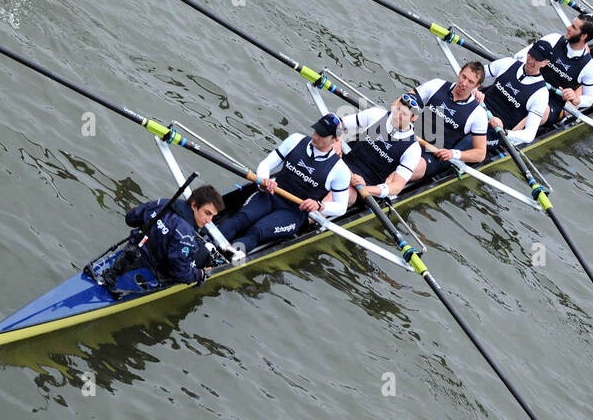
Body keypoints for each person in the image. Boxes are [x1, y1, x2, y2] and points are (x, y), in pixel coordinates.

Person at [215, 114, 352, 254]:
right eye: (316, 130)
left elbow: (341, 208)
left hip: (294, 212)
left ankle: (225, 258)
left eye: (322, 135)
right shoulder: (296, 140)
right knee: (241, 219)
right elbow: (266, 165)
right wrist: (264, 181)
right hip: (271, 194)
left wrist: (319, 206)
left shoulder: (340, 170)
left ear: (334, 139)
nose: (315, 136)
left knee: (258, 230)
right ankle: (207, 246)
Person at [123, 184, 225, 285]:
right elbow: (181, 274)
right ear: (194, 205)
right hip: (153, 272)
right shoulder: (186, 236)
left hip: (130, 253)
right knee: (204, 251)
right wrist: (201, 274)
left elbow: (130, 218)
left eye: (212, 216)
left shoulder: (163, 203)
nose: (209, 221)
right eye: (207, 213)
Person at [514, 12, 593, 133]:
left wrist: (576, 99)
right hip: (531, 85)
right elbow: (521, 56)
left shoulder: (589, 67)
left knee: (541, 110)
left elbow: (590, 98)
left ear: (584, 36)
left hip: (552, 102)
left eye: (574, 27)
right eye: (571, 24)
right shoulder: (553, 39)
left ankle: (509, 136)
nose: (568, 27)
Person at [410, 61, 489, 181]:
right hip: (410, 137)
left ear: (476, 86)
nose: (464, 83)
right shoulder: (437, 85)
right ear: (460, 73)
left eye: (470, 82)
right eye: (464, 77)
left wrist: (454, 154)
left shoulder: (478, 114)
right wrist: (412, 111)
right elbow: (407, 98)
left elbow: (480, 154)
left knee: (409, 167)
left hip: (435, 155)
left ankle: (382, 189)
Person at [339, 94, 424, 203]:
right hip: (342, 165)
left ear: (414, 117)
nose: (397, 115)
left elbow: (396, 187)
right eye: (398, 109)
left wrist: (365, 188)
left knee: (341, 195)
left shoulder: (413, 149)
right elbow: (340, 123)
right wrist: (336, 141)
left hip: (365, 185)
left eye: (404, 114)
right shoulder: (377, 114)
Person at [479, 39, 552, 157]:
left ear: (545, 63)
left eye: (537, 59)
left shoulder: (541, 93)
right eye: (531, 54)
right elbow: (476, 73)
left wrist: (506, 132)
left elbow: (529, 135)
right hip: (477, 110)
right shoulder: (508, 63)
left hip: (495, 131)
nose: (531, 60)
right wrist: (473, 87)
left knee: (467, 140)